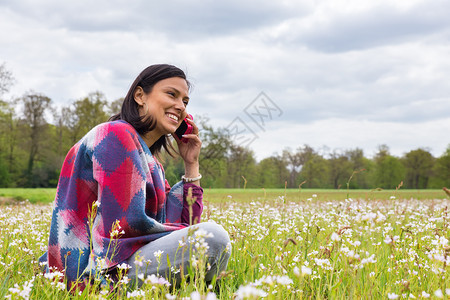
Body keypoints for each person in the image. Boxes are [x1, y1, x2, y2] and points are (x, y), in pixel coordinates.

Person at [39, 64, 231, 290]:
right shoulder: (114, 135)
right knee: (213, 237)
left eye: (185, 102)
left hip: (122, 263)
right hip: (96, 272)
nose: (180, 107)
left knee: (209, 239)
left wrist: (191, 164)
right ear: (140, 96)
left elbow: (187, 226)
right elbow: (124, 226)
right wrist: (194, 235)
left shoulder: (151, 163)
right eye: (172, 94)